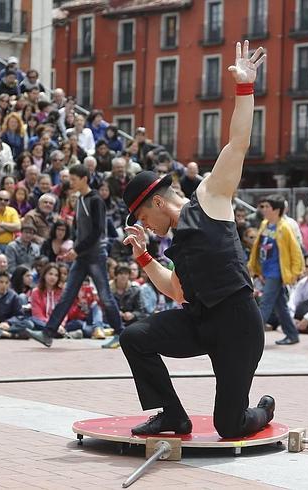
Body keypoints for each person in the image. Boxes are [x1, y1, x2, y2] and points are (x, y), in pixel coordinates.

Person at [112, 42, 274, 439]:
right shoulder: (172, 244)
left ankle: (264, 410)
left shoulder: (210, 199)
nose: (146, 226)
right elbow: (177, 291)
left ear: (156, 202)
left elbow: (237, 143)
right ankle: (172, 416)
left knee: (229, 427)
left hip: (238, 325)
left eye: (144, 218)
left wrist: (245, 89)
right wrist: (145, 257)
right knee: (135, 336)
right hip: (200, 321)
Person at [26, 164, 123, 348]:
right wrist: (74, 249)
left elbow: (97, 232)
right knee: (67, 295)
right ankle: (48, 333)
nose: (70, 182)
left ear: (84, 179)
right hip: (82, 256)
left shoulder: (96, 200)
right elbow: (79, 232)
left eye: (74, 179)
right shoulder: (79, 200)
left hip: (95, 255)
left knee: (105, 296)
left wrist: (76, 250)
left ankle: (121, 334)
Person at [248, 194, 304, 345]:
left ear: (277, 210)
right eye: (263, 206)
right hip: (266, 271)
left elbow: (295, 250)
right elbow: (258, 248)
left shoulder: (285, 227)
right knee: (281, 306)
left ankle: (251, 337)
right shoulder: (265, 224)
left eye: (267, 207)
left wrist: (296, 271)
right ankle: (292, 335)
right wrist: (256, 268)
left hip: (277, 272)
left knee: (265, 304)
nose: (263, 209)